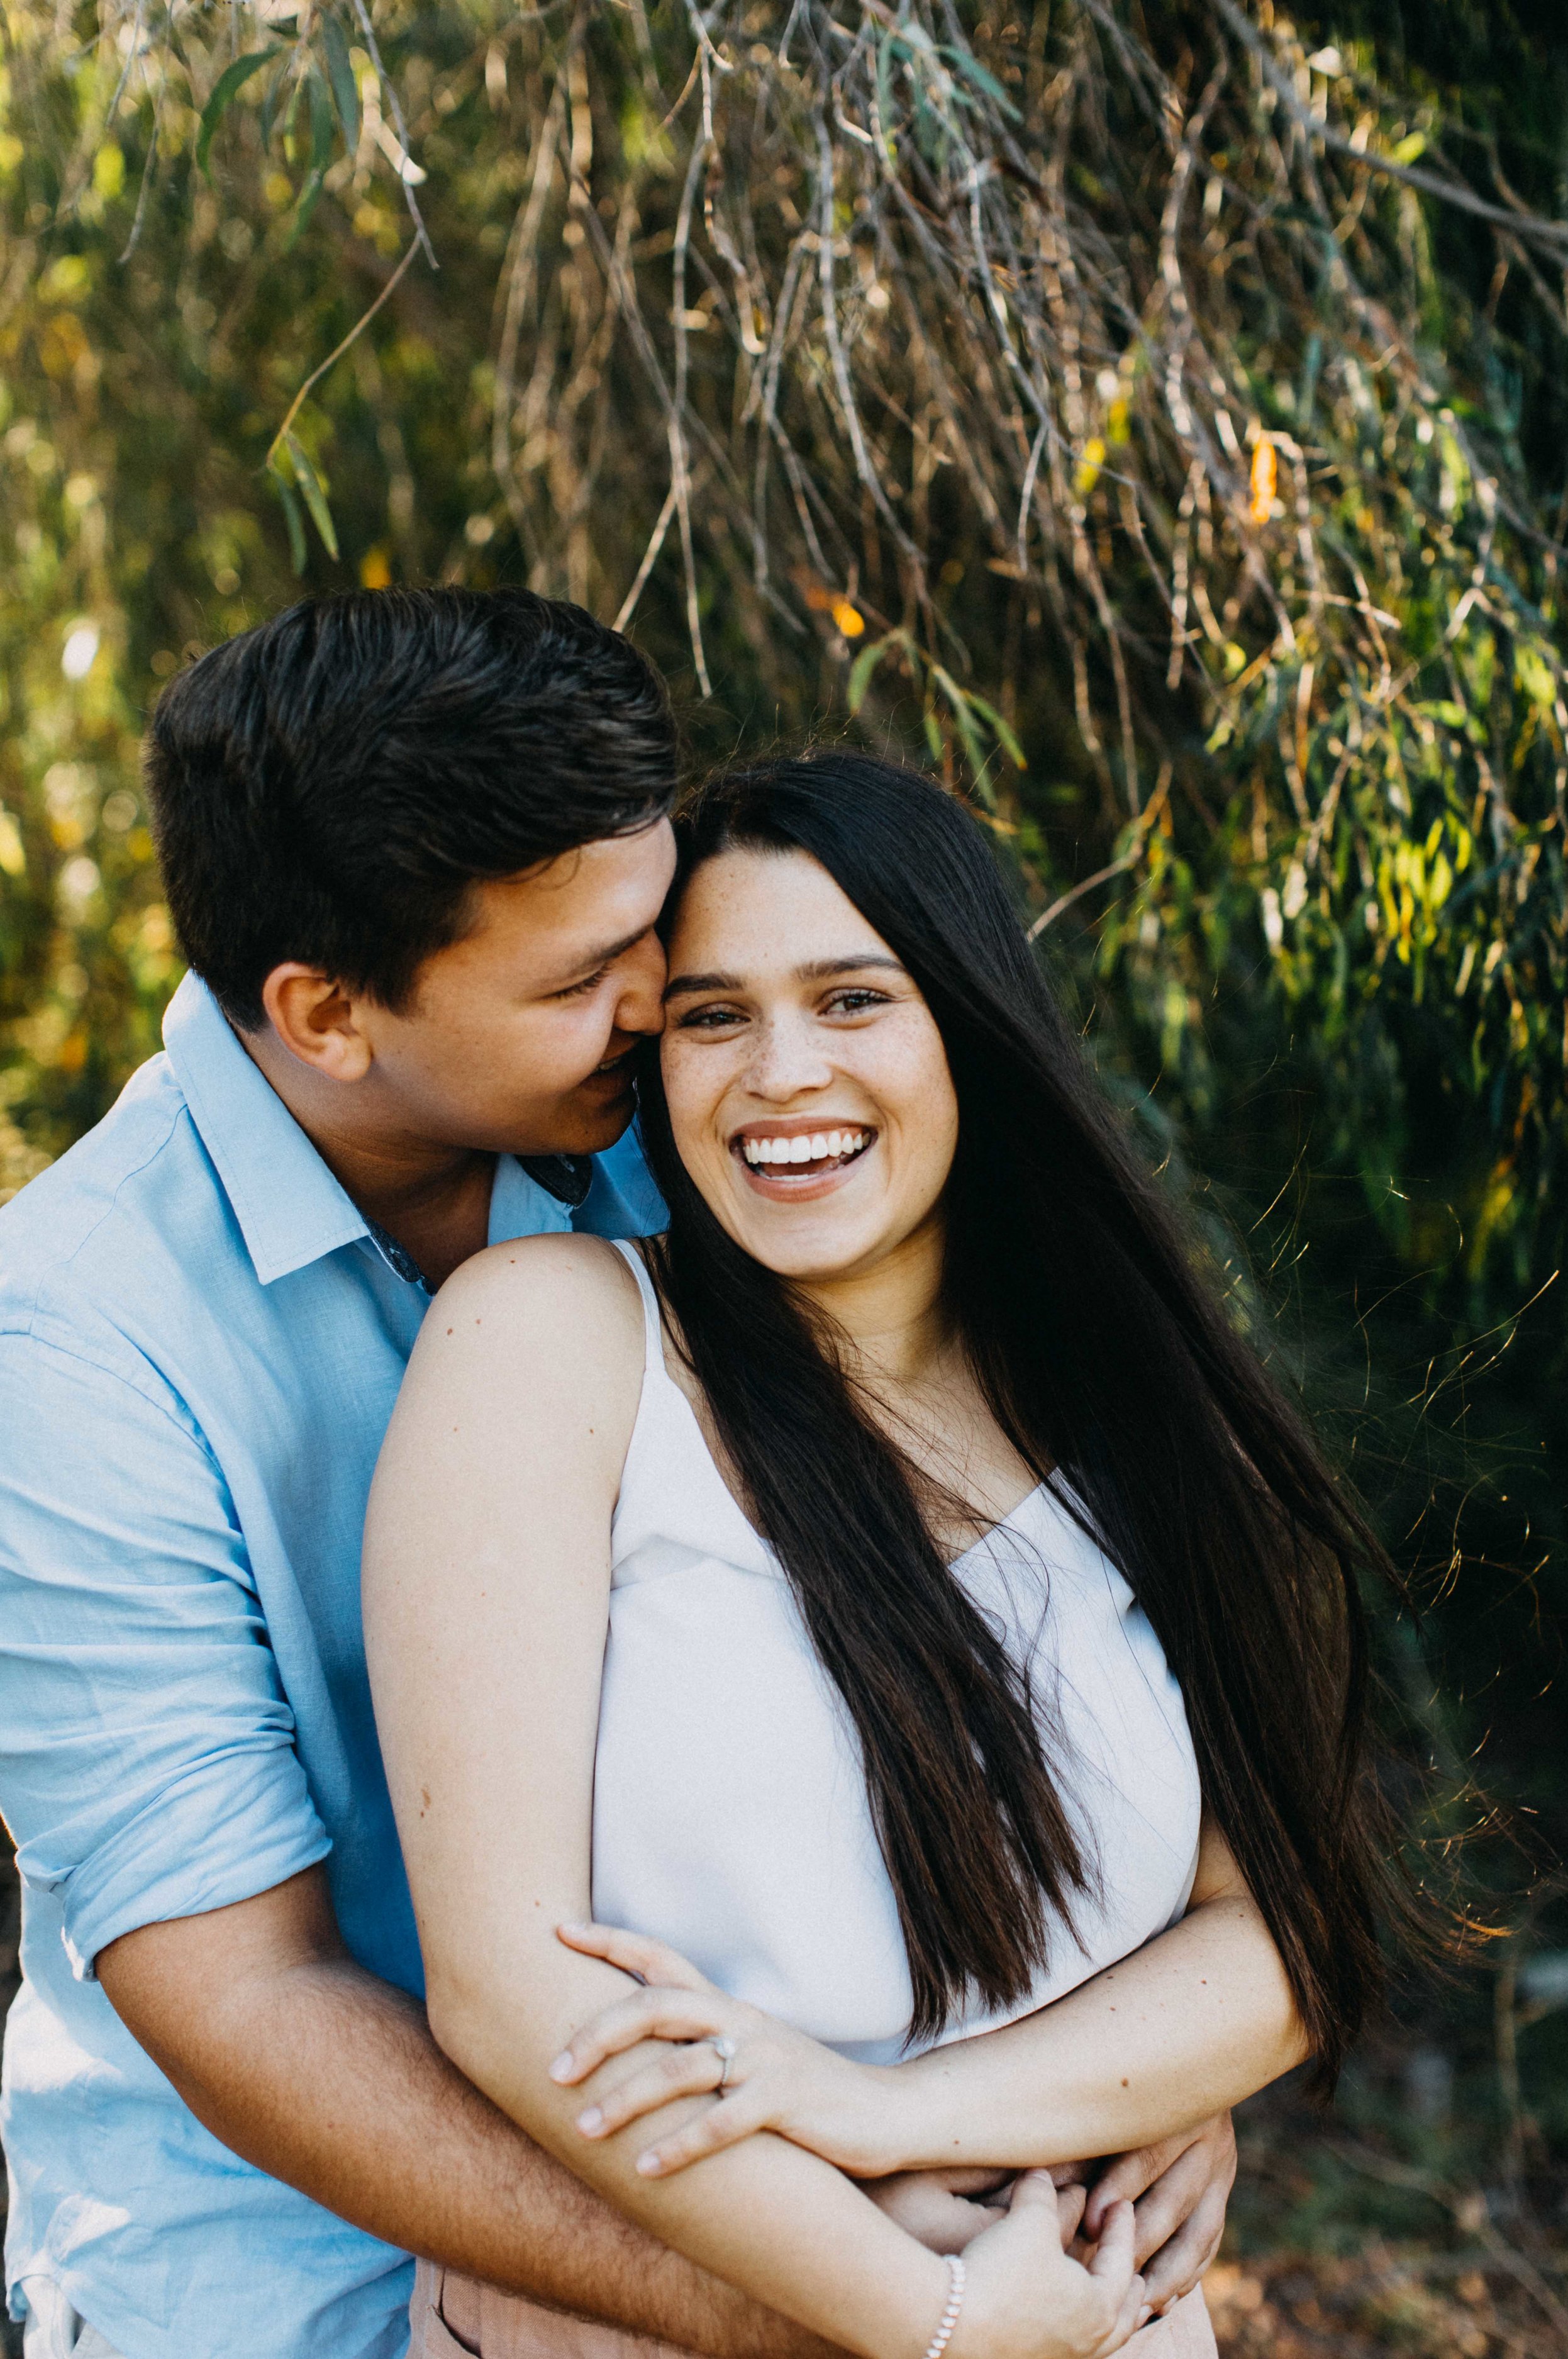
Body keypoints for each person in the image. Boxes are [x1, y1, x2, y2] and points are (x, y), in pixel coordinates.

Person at [0, 598, 1232, 2359]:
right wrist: (857, 2306)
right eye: (586, 980)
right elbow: (248, 1994)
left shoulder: (685, 1129)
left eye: (650, 935)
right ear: (325, 1012)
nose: (662, 1004)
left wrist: (1103, 2080)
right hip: (284, 2277)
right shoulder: (71, 1344)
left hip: (783, 2195)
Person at [365, 752, 1413, 2359]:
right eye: (710, 1017)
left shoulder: (1134, 1408)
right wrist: (928, 2319)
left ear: (971, 1030)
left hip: (1078, 2320)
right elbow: (508, 1996)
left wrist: (880, 2115)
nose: (779, 1073)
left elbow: (1269, 1935)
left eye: (851, 999)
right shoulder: (556, 1341)